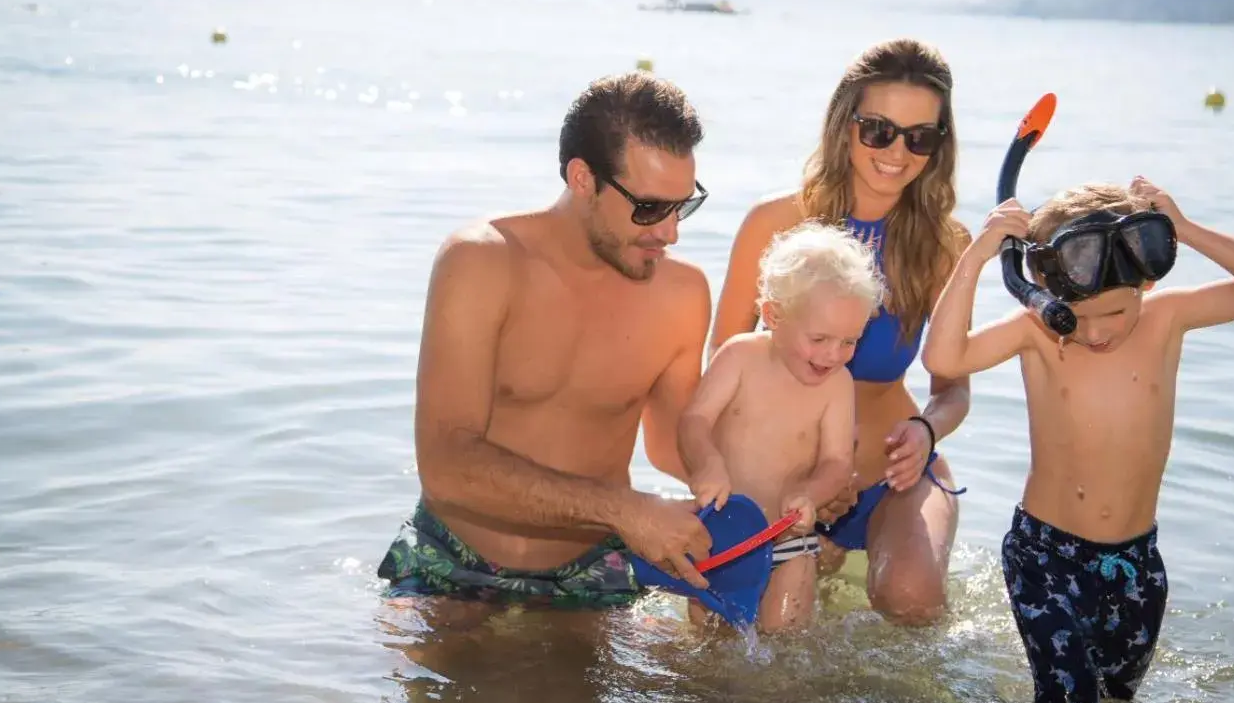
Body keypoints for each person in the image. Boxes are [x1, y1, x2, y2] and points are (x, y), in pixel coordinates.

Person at [922, 177, 1234, 703]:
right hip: (1046, 556)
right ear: (1048, 297)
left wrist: (1186, 230)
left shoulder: (1167, 317)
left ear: (1144, 285)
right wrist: (978, 256)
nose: (1096, 333)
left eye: (1115, 314)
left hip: (1138, 563)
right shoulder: (1037, 332)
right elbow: (945, 359)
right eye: (1078, 317)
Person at [375, 71, 719, 622]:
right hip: (452, 562)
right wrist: (624, 509)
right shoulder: (482, 262)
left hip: (594, 567)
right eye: (651, 208)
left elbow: (673, 446)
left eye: (684, 206)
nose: (671, 232)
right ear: (583, 179)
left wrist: (783, 483)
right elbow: (445, 465)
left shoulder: (683, 292)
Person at [709, 39, 971, 624]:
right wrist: (787, 494)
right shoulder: (773, 224)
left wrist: (927, 432)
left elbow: (954, 389)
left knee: (914, 602)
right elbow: (723, 373)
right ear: (843, 124)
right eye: (878, 130)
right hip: (785, 485)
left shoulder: (945, 244)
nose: (897, 152)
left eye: (920, 137)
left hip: (890, 476)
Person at [678, 221, 881, 631]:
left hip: (789, 533)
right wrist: (706, 463)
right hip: (721, 530)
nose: (834, 355)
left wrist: (811, 493)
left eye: (849, 341)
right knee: (706, 641)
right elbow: (694, 420)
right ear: (773, 315)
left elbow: (837, 462)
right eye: (820, 338)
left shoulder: (837, 386)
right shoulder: (739, 357)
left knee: (786, 637)